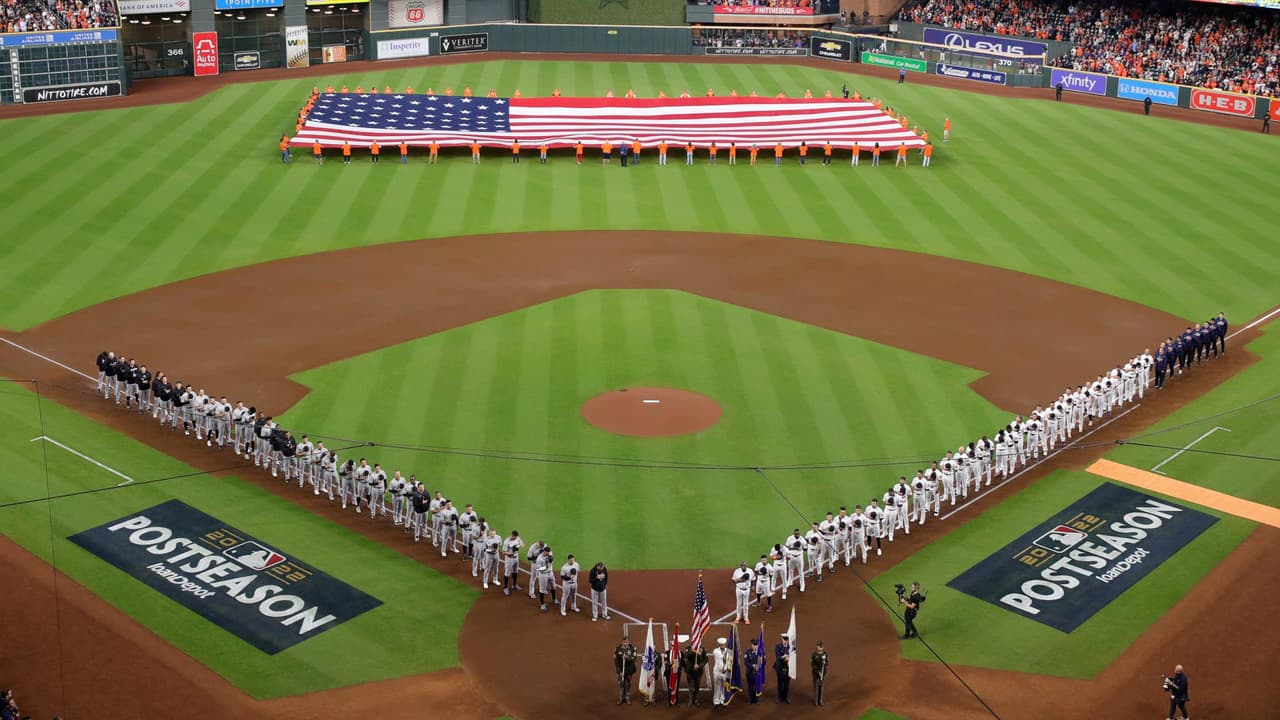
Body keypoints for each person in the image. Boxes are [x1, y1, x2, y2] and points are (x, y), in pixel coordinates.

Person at [614, 629, 638, 705]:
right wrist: (619, 671)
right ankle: (621, 698)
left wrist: (627, 657)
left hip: (629, 670)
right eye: (624, 642)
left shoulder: (632, 648)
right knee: (621, 684)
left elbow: (635, 658)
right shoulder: (618, 649)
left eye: (626, 642)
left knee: (628, 684)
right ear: (622, 642)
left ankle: (627, 698)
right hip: (621, 670)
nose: (625, 643)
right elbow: (616, 661)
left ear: (628, 641)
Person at [501, 530, 523, 594]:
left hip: (516, 558)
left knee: (515, 571)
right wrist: (510, 553)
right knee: (507, 573)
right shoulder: (506, 542)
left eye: (516, 537)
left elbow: (522, 544)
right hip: (509, 559)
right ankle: (505, 588)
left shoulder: (518, 538)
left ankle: (514, 585)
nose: (515, 538)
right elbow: (503, 552)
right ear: (512, 535)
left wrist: (518, 546)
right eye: (514, 537)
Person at [711, 637, 729, 706]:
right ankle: (716, 701)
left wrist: (726, 668)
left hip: (725, 671)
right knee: (717, 687)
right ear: (719, 645)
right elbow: (721, 658)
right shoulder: (715, 651)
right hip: (717, 672)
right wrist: (727, 653)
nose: (723, 646)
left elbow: (728, 661)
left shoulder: (727, 651)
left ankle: (722, 700)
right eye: (721, 645)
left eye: (723, 644)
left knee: (723, 687)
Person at [774, 633, 791, 703]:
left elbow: (793, 656)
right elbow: (777, 657)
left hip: (788, 668)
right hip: (780, 668)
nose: (785, 641)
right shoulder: (778, 647)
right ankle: (779, 697)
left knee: (787, 684)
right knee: (780, 683)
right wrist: (783, 657)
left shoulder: (790, 647)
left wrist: (789, 658)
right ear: (782, 639)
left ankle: (785, 697)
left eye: (786, 640)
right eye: (784, 639)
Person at [743, 638, 761, 704]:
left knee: (756, 686)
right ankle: (750, 699)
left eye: (756, 645)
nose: (755, 647)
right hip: (749, 673)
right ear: (752, 645)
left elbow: (764, 662)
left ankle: (756, 699)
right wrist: (752, 665)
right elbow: (745, 662)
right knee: (750, 686)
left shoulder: (760, 653)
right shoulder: (748, 652)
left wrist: (759, 665)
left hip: (757, 673)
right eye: (754, 645)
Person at [811, 641, 828, 706]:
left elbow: (827, 663)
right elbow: (813, 665)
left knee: (821, 687)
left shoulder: (825, 654)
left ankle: (820, 700)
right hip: (816, 673)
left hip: (823, 673)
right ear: (817, 647)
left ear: (823, 647)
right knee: (816, 687)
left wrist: (825, 663)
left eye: (821, 647)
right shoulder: (814, 654)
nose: (820, 648)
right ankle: (815, 701)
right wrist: (818, 672)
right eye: (819, 646)